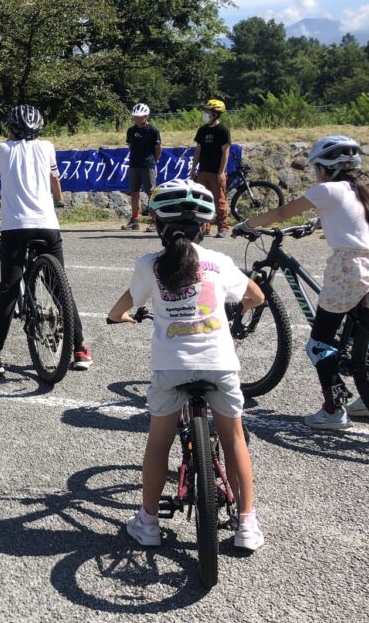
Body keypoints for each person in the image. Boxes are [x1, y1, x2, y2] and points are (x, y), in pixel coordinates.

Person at [108, 179, 265, 552]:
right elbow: (256, 296)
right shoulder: (220, 262)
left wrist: (119, 318)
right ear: (205, 226)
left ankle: (148, 523)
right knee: (233, 439)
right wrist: (232, 309)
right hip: (219, 364)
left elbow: (120, 308)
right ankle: (246, 524)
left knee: (159, 441)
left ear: (157, 223)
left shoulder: (149, 264)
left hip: (171, 367)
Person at [238, 135, 369, 430]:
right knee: (361, 336)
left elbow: (282, 212)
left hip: (349, 271)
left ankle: (333, 411)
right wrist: (313, 224)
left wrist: (248, 224)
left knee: (319, 343)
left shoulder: (326, 190)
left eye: (316, 168)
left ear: (325, 168)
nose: (315, 173)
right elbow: (344, 219)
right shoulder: (359, 191)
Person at [0, 104, 93, 373]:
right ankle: (80, 349)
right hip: (47, 225)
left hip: (16, 228)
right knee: (60, 287)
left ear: (11, 128)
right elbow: (54, 179)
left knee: (8, 290)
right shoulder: (47, 147)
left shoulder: (3, 149)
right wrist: (58, 199)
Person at [192, 99, 231, 238]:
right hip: (203, 171)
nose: (205, 114)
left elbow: (225, 153)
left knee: (219, 201)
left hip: (216, 172)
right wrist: (193, 169)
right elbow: (198, 151)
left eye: (207, 112)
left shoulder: (223, 130)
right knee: (202, 200)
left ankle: (223, 227)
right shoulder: (202, 130)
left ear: (215, 114)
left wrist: (221, 172)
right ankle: (204, 227)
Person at [122, 103, 162, 232]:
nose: (137, 119)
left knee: (151, 193)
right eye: (135, 116)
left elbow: (158, 149)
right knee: (134, 193)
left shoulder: (153, 130)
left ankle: (155, 221)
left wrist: (153, 161)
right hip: (134, 165)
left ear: (146, 116)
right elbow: (130, 146)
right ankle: (134, 221)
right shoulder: (131, 130)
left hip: (148, 165)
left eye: (139, 116)